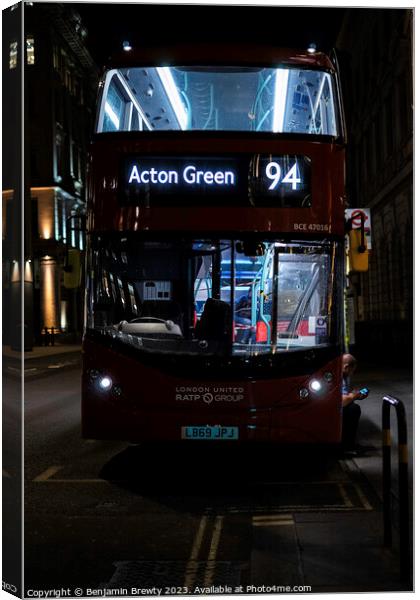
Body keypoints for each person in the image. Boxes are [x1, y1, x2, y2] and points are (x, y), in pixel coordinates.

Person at [341, 353, 369, 455]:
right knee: (353, 409)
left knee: (353, 407)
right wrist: (354, 396)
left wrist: (355, 395)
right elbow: (342, 402)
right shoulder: (338, 377)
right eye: (352, 371)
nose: (352, 374)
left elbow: (345, 395)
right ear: (346, 367)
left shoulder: (343, 377)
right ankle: (347, 446)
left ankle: (350, 443)